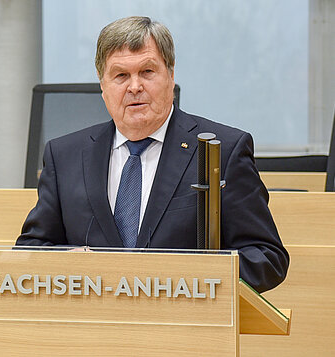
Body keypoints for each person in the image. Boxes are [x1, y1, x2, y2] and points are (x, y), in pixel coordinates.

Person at [16, 16, 289, 293]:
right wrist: (71, 267)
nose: (134, 87)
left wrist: (183, 278)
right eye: (121, 75)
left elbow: (265, 257)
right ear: (103, 85)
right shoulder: (64, 156)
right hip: (91, 327)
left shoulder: (223, 150)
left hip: (185, 328)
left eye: (147, 72)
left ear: (171, 76)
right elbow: (31, 248)